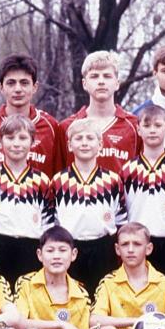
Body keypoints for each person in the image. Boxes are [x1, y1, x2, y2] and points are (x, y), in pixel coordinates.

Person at [0, 115, 56, 287]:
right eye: (10, 138)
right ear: (0, 141)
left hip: (31, 250)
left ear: (32, 142)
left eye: (23, 138)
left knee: (28, 298)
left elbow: (48, 224)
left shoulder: (42, 181)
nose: (16, 144)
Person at [50, 117, 127, 293]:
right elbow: (53, 223)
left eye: (90, 138)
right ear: (69, 145)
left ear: (100, 145)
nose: (84, 143)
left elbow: (121, 221)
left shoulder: (113, 180)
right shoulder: (58, 181)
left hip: (104, 249)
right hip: (70, 249)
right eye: (78, 138)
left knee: (103, 296)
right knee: (71, 297)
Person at [121, 105, 165, 283]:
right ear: (138, 129)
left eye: (158, 125)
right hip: (137, 243)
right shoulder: (127, 169)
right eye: (147, 125)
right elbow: (122, 210)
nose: (152, 130)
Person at [0, 54, 63, 177]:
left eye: (24, 83)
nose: (18, 89)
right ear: (1, 87)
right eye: (11, 83)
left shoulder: (51, 126)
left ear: (35, 87)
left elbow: (59, 176)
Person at [59, 51, 141, 173]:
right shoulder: (66, 127)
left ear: (117, 83)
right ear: (84, 84)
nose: (101, 81)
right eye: (94, 76)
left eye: (107, 76)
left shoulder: (135, 126)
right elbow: (58, 176)